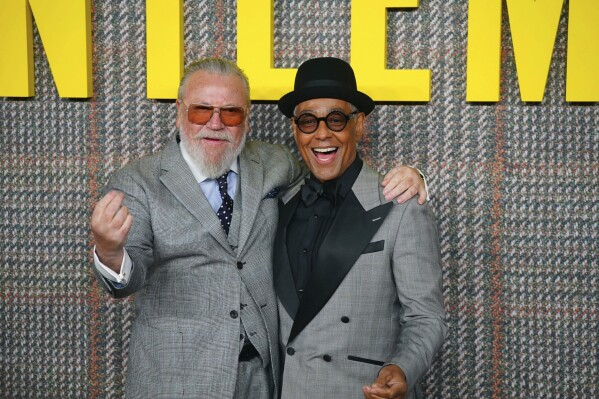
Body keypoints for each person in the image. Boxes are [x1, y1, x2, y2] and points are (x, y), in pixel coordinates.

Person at [90, 57, 426, 399]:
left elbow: (331, 169)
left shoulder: (275, 164)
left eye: (231, 112)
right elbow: (125, 281)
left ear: (247, 118)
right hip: (177, 379)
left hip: (266, 378)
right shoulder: (137, 181)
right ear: (180, 112)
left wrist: (412, 178)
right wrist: (110, 251)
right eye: (201, 111)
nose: (216, 124)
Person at [273, 57, 447, 399]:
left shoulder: (401, 205)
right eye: (308, 121)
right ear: (295, 130)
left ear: (359, 125)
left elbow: (427, 318)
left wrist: (401, 368)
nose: (322, 133)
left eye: (336, 119)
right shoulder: (278, 203)